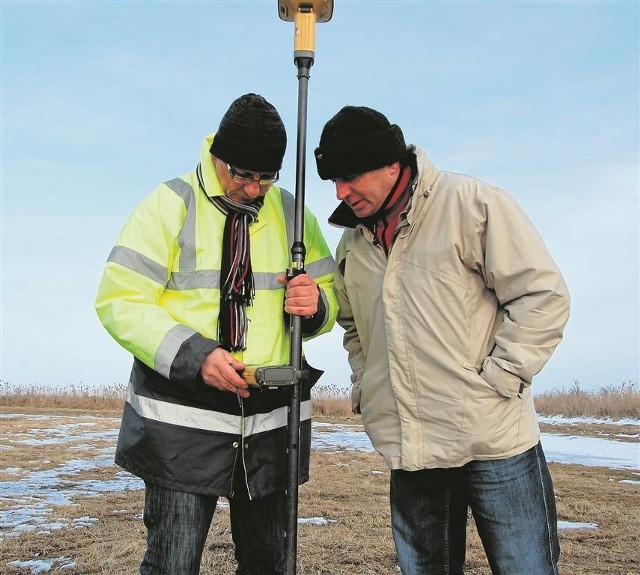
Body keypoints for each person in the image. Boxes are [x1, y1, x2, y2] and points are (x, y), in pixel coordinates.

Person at [314, 105, 570, 575]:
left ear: (393, 164)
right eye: (333, 180)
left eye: (350, 176)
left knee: (526, 568)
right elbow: (352, 326)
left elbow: (542, 296)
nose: (340, 192)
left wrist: (498, 380)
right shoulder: (352, 244)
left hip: (494, 441)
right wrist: (367, 388)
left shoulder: (472, 205)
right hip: (410, 449)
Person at [95, 93, 338, 575]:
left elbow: (330, 293)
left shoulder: (293, 213)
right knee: (173, 564)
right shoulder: (169, 204)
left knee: (271, 565)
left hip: (270, 427)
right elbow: (119, 300)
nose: (254, 189)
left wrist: (317, 306)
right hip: (181, 427)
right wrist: (196, 355)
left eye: (266, 177)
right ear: (216, 157)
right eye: (243, 174)